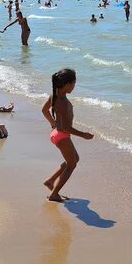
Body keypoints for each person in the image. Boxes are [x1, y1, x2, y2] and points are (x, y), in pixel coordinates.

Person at [41, 68, 92, 202]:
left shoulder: (55, 95)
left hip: (57, 133)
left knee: (74, 159)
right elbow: (65, 127)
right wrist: (83, 135)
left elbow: (44, 110)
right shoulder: (62, 101)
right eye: (74, 84)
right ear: (67, 84)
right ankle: (54, 194)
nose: (74, 86)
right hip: (62, 135)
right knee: (72, 165)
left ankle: (50, 181)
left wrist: (53, 124)